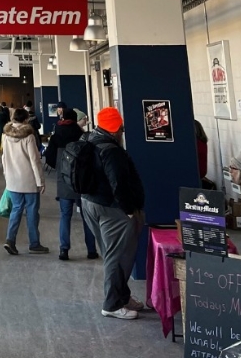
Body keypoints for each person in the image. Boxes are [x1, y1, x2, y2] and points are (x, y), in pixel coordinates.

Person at [81, 107, 146, 320]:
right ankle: (112, 304)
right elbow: (118, 183)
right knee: (117, 257)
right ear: (116, 127)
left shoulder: (89, 140)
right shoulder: (111, 150)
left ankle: (122, 297)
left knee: (113, 255)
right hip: (111, 208)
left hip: (89, 203)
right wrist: (128, 210)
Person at [44, 109, 98, 261]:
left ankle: (64, 250)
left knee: (65, 215)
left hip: (64, 180)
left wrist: (61, 168)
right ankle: (91, 250)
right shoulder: (83, 135)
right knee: (86, 216)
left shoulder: (56, 136)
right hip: (82, 181)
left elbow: (49, 157)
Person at [1, 108, 49, 255]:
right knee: (32, 212)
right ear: (26, 119)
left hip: (12, 180)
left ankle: (10, 240)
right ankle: (34, 244)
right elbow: (35, 160)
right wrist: (40, 181)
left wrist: (6, 176)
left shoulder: (5, 135)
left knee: (16, 209)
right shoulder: (29, 136)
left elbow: (4, 158)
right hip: (29, 180)